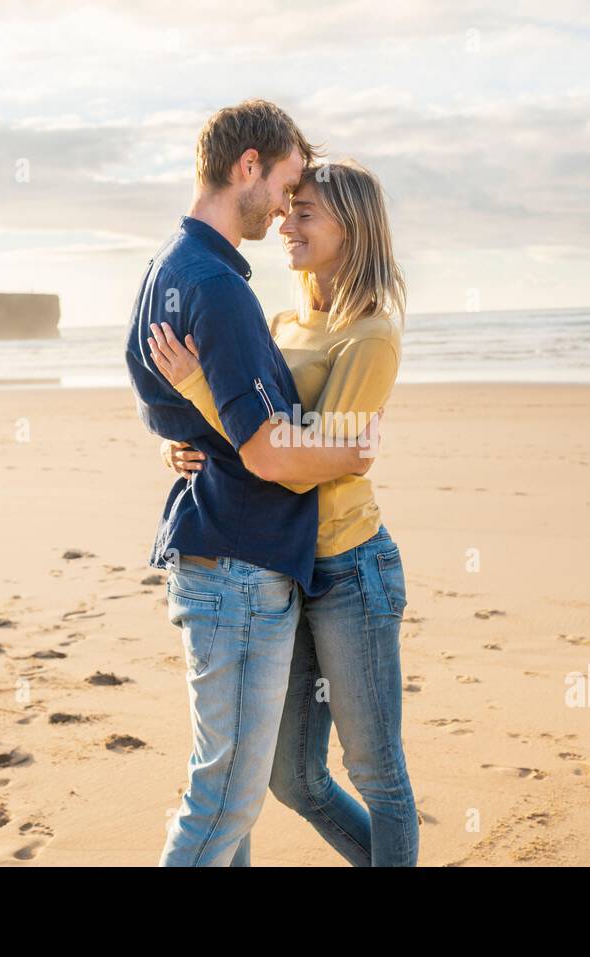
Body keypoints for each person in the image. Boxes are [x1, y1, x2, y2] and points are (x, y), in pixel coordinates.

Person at [124, 100, 379, 867]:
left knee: (227, 801)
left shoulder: (164, 270)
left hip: (213, 554)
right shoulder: (223, 289)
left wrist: (190, 438)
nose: (285, 206)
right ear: (248, 167)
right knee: (223, 802)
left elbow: (159, 403)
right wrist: (350, 452)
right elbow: (269, 453)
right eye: (284, 184)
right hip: (239, 567)